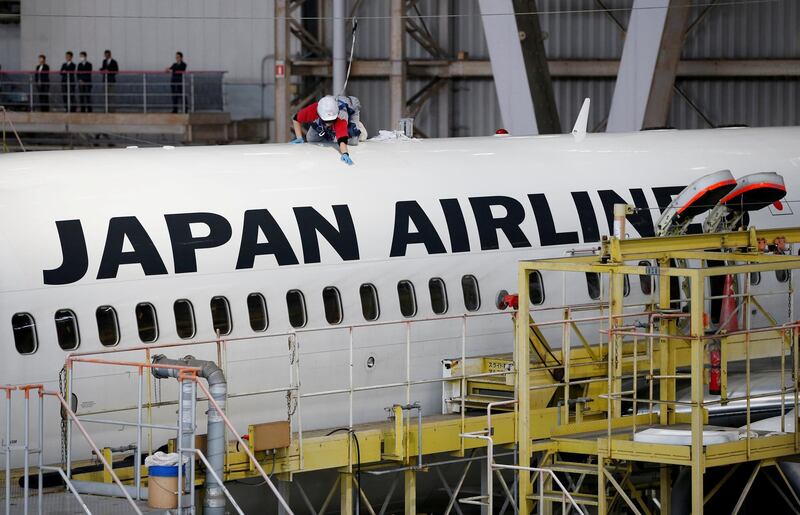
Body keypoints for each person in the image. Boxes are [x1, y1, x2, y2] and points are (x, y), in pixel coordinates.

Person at [290, 95, 365, 165]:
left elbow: (342, 139)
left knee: (353, 141)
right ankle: (330, 131)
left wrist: (345, 153)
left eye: (331, 121)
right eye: (326, 121)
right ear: (318, 114)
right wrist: (299, 137)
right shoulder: (313, 110)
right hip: (325, 116)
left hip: (351, 110)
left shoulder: (341, 116)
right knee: (311, 138)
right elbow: (296, 119)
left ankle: (357, 127)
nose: (329, 123)